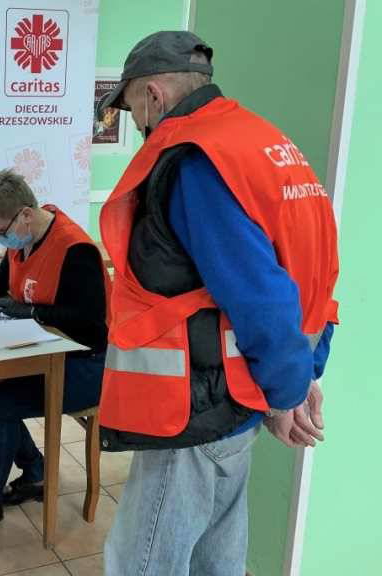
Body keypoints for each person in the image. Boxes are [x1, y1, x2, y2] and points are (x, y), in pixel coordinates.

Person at [94, 31, 339, 575]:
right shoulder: (260, 141)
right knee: (217, 558)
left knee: (143, 562)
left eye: (130, 104)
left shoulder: (196, 161)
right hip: (235, 397)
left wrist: (284, 393)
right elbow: (304, 268)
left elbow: (259, 293)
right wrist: (294, 378)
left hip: (197, 407)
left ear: (153, 94)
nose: (133, 121)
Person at [0, 170, 110, 536]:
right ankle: (35, 473)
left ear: (25, 214)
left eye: (1, 231)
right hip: (47, 356)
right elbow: (4, 272)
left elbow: (90, 324)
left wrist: (32, 312)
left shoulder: (76, 251)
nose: (2, 238)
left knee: (1, 404)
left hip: (89, 365)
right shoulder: (26, 235)